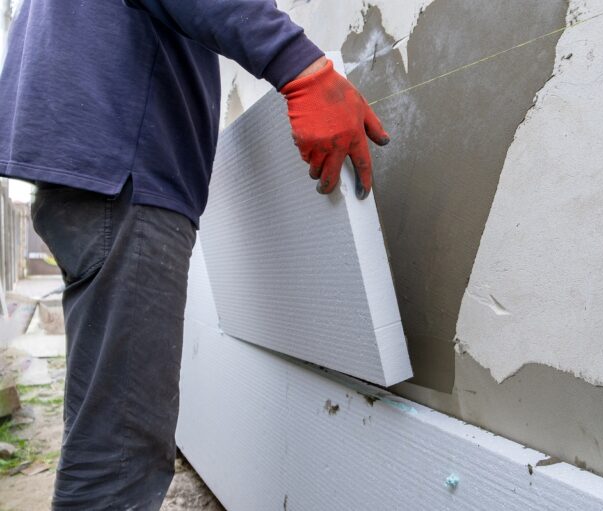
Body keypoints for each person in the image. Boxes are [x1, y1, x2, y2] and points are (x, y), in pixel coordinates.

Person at [0, 0, 389, 508]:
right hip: (127, 171)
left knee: (103, 422)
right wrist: (302, 66)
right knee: (121, 452)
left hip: (87, 166)